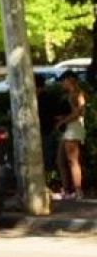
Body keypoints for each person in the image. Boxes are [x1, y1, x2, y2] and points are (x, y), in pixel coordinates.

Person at [54, 71, 87, 200]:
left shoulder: (78, 94)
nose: (62, 84)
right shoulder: (70, 94)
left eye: (63, 81)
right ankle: (67, 190)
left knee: (72, 160)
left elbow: (79, 113)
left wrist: (62, 121)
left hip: (73, 129)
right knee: (60, 159)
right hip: (69, 128)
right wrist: (62, 118)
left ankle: (78, 191)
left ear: (69, 80)